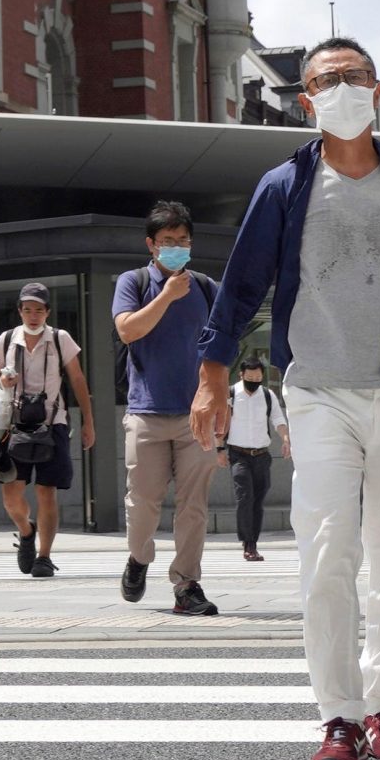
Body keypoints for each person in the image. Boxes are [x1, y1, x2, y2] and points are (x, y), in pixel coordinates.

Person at [194, 33, 380, 760]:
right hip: (318, 394)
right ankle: (339, 719)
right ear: (306, 99)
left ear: (378, 92)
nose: (341, 87)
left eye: (354, 76)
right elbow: (242, 284)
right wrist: (212, 375)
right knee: (326, 557)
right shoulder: (283, 187)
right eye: (326, 79)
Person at [114, 199, 224, 616]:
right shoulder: (135, 281)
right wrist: (166, 296)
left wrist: (220, 400)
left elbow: (222, 344)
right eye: (167, 241)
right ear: (151, 245)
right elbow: (127, 330)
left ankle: (187, 585)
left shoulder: (207, 288)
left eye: (182, 240)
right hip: (147, 412)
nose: (175, 247)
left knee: (193, 505)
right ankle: (138, 558)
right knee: (142, 501)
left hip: (196, 415)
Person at [0, 282, 95, 578]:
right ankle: (27, 532)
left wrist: (89, 421)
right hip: (15, 424)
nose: (33, 315)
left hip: (53, 422)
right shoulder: (8, 338)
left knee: (46, 491)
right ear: (20, 311)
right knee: (11, 495)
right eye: (28, 309)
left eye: (39, 309)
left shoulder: (60, 338)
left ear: (48, 311)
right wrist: (4, 380)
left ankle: (44, 556)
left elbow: (77, 378)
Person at [224, 355, 291, 562]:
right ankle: (248, 544)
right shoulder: (231, 394)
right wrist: (219, 449)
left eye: (258, 377)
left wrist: (286, 438)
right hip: (238, 455)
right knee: (245, 498)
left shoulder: (268, 395)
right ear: (241, 375)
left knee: (257, 501)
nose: (253, 381)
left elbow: (278, 418)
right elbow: (222, 421)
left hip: (262, 455)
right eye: (250, 377)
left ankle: (253, 541)